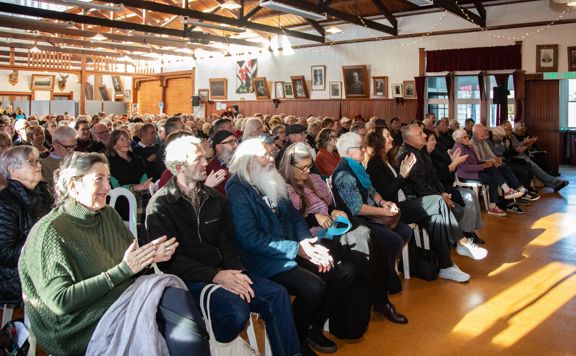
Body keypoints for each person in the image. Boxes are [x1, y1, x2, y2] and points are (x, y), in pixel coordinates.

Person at [18, 152, 210, 356]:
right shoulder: (51, 232)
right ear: (74, 185)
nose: (108, 187)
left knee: (179, 308)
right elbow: (60, 302)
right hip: (77, 326)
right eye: (98, 179)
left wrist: (150, 256)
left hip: (118, 298)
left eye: (107, 179)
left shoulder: (107, 214)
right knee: (176, 317)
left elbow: (130, 265)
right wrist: (122, 270)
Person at [146, 136, 300, 356]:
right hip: (187, 281)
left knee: (277, 295)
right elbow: (172, 262)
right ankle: (211, 344)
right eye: (198, 159)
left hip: (222, 272)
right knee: (235, 311)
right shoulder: (161, 205)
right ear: (179, 166)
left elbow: (227, 243)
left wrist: (237, 273)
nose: (205, 163)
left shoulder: (215, 198)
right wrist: (216, 276)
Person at [226, 137, 355, 355]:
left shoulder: (270, 178)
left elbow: (295, 218)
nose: (270, 160)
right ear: (248, 160)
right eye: (265, 155)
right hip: (263, 258)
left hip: (290, 247)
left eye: (271, 155)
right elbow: (249, 238)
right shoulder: (237, 188)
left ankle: (312, 325)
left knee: (344, 272)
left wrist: (307, 242)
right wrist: (297, 249)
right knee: (313, 287)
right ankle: (296, 336)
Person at [279, 142, 405, 329]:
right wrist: (315, 218)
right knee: (364, 244)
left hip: (333, 226)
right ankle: (377, 302)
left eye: (309, 166)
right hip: (314, 236)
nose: (307, 171)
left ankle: (377, 302)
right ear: (289, 166)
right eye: (303, 167)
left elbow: (328, 204)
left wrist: (334, 211)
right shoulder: (282, 188)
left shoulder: (313, 179)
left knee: (368, 238)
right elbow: (291, 223)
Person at [365, 128, 482, 282]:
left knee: (437, 220)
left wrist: (403, 176)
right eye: (387, 136)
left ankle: (447, 267)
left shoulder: (388, 159)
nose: (392, 138)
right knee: (438, 201)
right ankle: (461, 241)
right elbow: (386, 194)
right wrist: (402, 175)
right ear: (378, 141)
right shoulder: (375, 163)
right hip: (394, 209)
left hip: (406, 203)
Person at [0, 146, 52, 303]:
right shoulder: (4, 203)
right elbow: (6, 254)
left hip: (42, 264)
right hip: (15, 276)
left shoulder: (42, 194)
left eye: (38, 161)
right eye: (32, 162)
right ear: (13, 170)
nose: (39, 165)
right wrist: (45, 243)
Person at [451, 128, 523, 216]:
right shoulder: (459, 149)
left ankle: (506, 190)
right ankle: (493, 206)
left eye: (467, 136)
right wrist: (482, 166)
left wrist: (486, 163)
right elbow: (466, 168)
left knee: (492, 167)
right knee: (492, 179)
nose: (468, 138)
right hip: (466, 175)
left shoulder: (467, 146)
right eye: (465, 137)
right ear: (459, 140)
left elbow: (476, 161)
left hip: (474, 171)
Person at [206, 130, 238, 195]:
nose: (236, 145)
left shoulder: (241, 162)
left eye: (236, 141)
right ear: (219, 148)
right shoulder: (210, 169)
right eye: (231, 142)